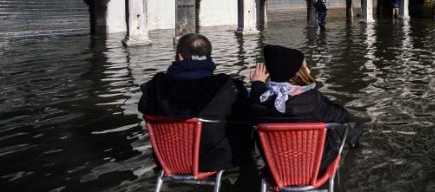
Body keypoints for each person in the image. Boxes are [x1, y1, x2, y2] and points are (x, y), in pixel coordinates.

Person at [138, 33, 253, 172]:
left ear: (179, 57)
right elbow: (247, 114)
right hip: (215, 161)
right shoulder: (227, 86)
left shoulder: (155, 87)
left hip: (167, 160)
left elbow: (144, 107)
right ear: (209, 57)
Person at [247, 45, 362, 175]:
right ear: (294, 75)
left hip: (277, 170)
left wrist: (257, 84)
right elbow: (342, 116)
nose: (308, 70)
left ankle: (352, 136)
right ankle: (352, 138)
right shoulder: (311, 99)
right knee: (330, 119)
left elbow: (255, 99)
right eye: (305, 67)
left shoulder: (256, 100)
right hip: (316, 168)